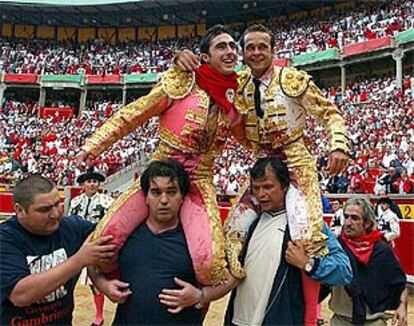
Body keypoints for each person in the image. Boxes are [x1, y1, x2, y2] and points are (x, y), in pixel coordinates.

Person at [175, 23, 350, 324]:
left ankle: (310, 317)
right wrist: (181, 60)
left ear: (272, 50)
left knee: (307, 236)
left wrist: (339, 145)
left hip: (296, 168)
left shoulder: (292, 80)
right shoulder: (239, 84)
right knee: (231, 235)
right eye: (250, 48)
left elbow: (329, 113)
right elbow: (205, 76)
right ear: (243, 53)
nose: (256, 52)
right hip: (262, 168)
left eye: (262, 47)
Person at [76, 24, 248, 285]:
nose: (230, 52)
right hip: (158, 177)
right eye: (221, 46)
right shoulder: (180, 82)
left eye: (233, 47)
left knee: (210, 265)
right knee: (104, 245)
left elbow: (251, 138)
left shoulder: (236, 96)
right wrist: (94, 145)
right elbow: (134, 113)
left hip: (198, 182)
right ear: (204, 57)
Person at [157, 157, 352, 324]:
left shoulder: (305, 225)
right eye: (256, 188)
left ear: (285, 187)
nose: (261, 194)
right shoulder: (249, 224)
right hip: (238, 320)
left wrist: (308, 264)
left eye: (268, 187)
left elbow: (344, 271)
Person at [89, 160, 209, 325]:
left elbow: (232, 278)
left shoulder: (197, 240)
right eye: (156, 192)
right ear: (145, 197)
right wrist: (103, 286)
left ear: (182, 197)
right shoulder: (126, 233)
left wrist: (201, 296)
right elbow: (91, 264)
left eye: (172, 192)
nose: (164, 200)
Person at [0, 175, 115, 325]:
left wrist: (101, 282)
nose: (55, 214)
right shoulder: (5, 238)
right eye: (45, 209)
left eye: (57, 204)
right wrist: (79, 260)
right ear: (20, 210)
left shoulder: (72, 227)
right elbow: (20, 294)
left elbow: (102, 236)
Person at [324, 198, 408, 325]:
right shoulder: (336, 248)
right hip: (341, 321)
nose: (348, 222)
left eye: (355, 218)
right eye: (346, 217)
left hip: (374, 322)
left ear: (367, 223)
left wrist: (402, 306)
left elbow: (399, 284)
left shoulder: (381, 250)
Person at [69, 167, 114, 326]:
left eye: (95, 181)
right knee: (69, 280)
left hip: (96, 245)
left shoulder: (107, 201)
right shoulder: (75, 202)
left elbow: (111, 224)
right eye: (89, 181)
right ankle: (68, 311)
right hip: (77, 245)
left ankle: (99, 316)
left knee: (95, 281)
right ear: (83, 185)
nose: (92, 184)